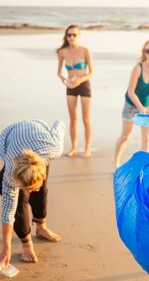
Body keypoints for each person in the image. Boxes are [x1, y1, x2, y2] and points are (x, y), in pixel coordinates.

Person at [0, 120, 64, 266]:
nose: (29, 191)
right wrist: (6, 247)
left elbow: (60, 123)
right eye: (26, 187)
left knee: (40, 191)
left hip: (39, 133)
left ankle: (41, 227)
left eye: (31, 187)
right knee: (16, 202)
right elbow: (7, 213)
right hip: (10, 138)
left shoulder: (54, 149)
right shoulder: (10, 172)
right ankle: (26, 243)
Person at [113, 40, 149, 168]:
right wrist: (140, 108)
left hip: (147, 105)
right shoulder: (138, 67)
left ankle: (143, 167)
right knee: (125, 136)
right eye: (147, 51)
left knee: (146, 138)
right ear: (144, 53)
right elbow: (131, 92)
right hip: (131, 104)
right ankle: (116, 163)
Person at [57, 24, 94, 158]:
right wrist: (65, 81)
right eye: (69, 35)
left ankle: (88, 148)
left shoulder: (85, 51)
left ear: (79, 36)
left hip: (84, 85)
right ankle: (73, 147)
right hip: (70, 86)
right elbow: (59, 73)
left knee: (86, 119)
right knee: (73, 119)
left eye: (74, 35)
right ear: (66, 36)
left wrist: (80, 80)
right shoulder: (62, 52)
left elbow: (91, 72)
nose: (71, 37)